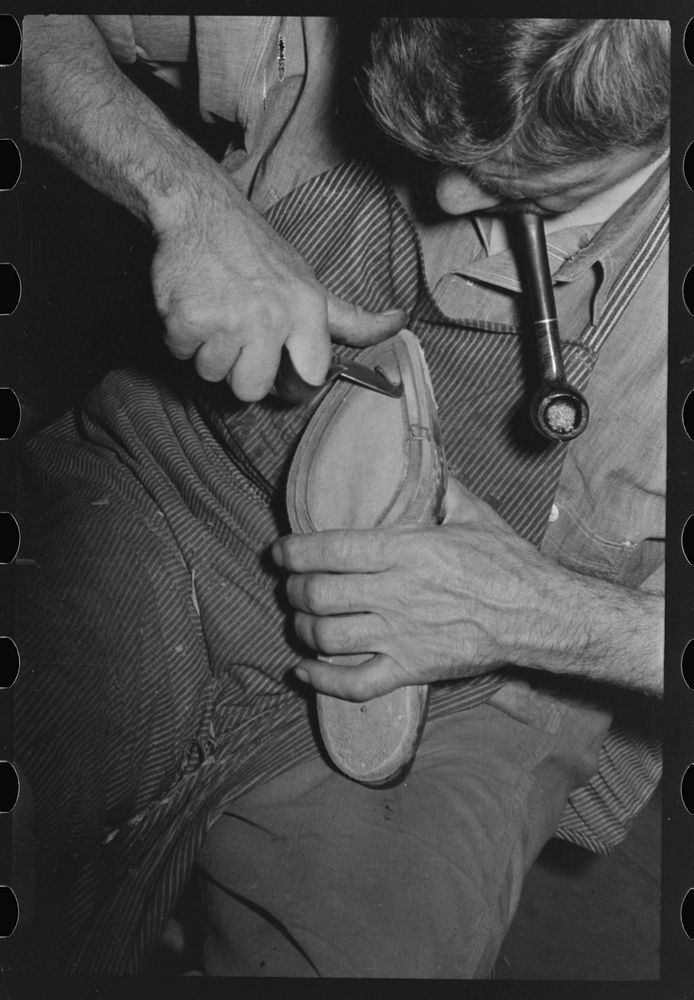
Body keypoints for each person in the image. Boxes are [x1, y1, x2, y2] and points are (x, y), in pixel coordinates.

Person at [16, 16, 668, 977]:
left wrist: (541, 614)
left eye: (521, 170)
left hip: (485, 674)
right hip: (166, 486)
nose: (443, 191)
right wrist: (187, 198)